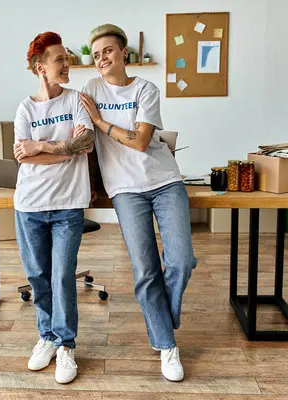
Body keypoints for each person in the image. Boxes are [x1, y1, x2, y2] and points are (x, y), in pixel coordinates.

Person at [80, 24, 197, 382]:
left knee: (182, 260)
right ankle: (166, 344)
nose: (102, 59)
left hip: (164, 180)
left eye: (108, 51)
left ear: (124, 55)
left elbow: (143, 141)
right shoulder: (90, 89)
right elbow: (82, 135)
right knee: (146, 269)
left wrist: (101, 120)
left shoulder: (146, 88)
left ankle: (162, 315)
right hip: (125, 189)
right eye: (97, 54)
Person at [12, 31, 95, 384]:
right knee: (38, 278)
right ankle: (46, 337)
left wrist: (40, 147)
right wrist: (59, 149)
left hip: (68, 205)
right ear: (39, 67)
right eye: (59, 59)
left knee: (62, 277)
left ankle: (66, 346)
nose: (67, 64)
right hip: (29, 205)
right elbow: (23, 158)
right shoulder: (25, 108)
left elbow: (86, 141)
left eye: (67, 58)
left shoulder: (77, 99)